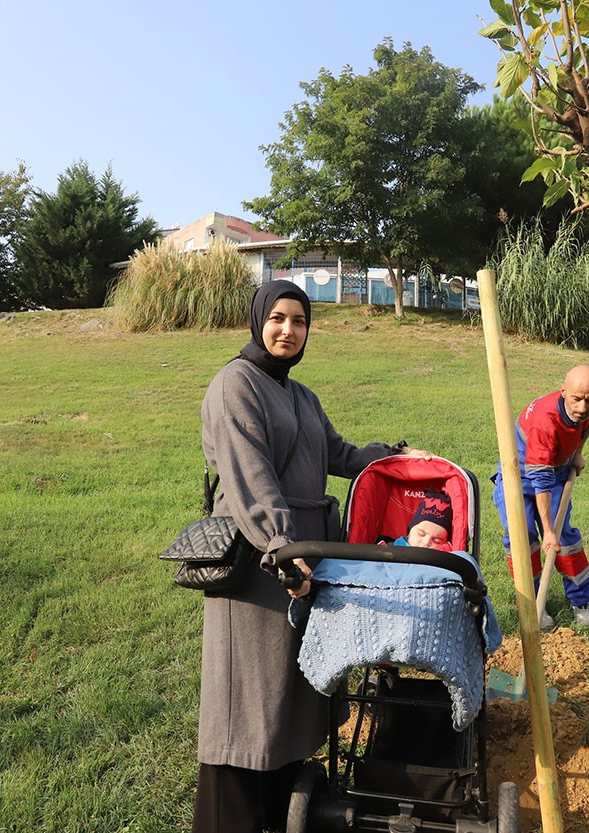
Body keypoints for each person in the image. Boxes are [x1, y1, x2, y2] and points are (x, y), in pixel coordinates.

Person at [195, 280, 421, 832]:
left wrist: (391, 456)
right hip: (261, 558)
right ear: (257, 321)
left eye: (298, 321)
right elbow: (250, 478)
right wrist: (282, 546)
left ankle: (282, 808)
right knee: (249, 698)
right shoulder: (235, 384)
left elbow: (337, 453)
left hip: (305, 560)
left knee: (292, 689)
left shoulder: (300, 396)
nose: (287, 330)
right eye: (277, 318)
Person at [492, 365, 589, 630]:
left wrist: (577, 451)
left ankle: (581, 601)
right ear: (563, 391)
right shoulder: (545, 422)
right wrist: (547, 529)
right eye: (576, 399)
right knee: (522, 539)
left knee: (564, 538)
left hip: (557, 468)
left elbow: (587, 424)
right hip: (517, 475)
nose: (582, 406)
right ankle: (533, 604)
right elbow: (540, 481)